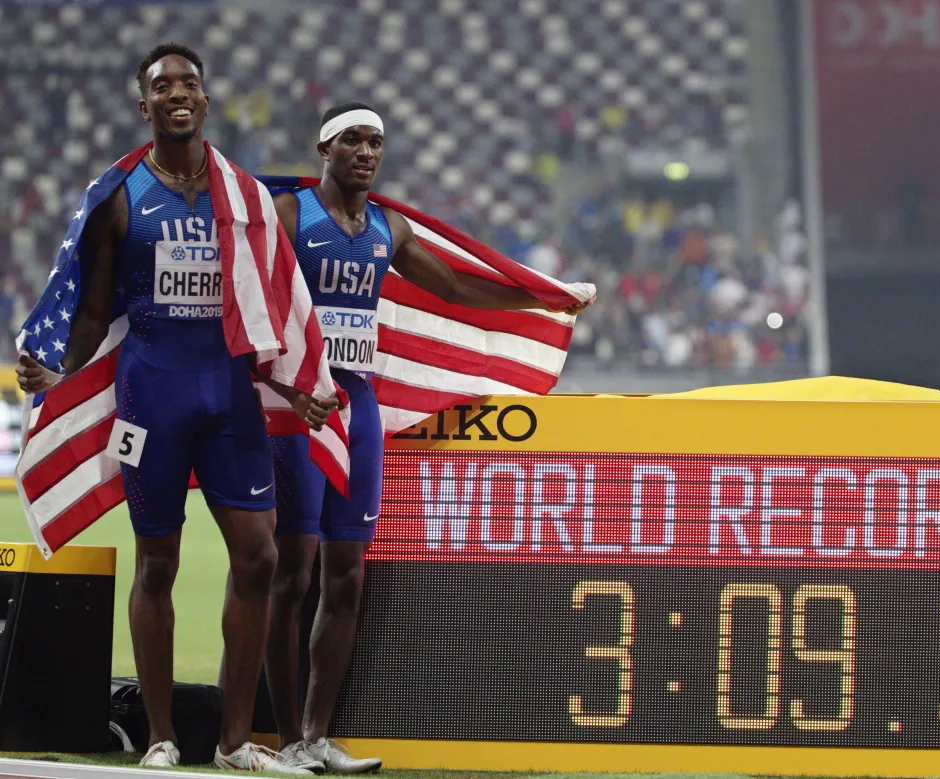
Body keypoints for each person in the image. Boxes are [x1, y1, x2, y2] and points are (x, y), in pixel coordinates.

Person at [14, 44, 334, 772]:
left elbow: (267, 310)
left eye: (190, 83)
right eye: (164, 86)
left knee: (259, 554)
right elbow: (93, 315)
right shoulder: (121, 196)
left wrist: (298, 386)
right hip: (151, 394)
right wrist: (55, 367)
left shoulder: (245, 196)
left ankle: (232, 741)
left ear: (206, 100)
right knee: (157, 559)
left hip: (228, 396)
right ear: (145, 106)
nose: (178, 93)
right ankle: (160, 735)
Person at [264, 102, 594, 774]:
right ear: (323, 149)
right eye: (352, 140)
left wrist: (540, 297)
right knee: (291, 573)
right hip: (298, 405)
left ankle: (316, 735)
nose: (365, 151)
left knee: (347, 576)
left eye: (376, 141)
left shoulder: (389, 227)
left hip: (357, 403)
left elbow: (454, 287)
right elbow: (250, 296)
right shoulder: (293, 217)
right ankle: (275, 740)